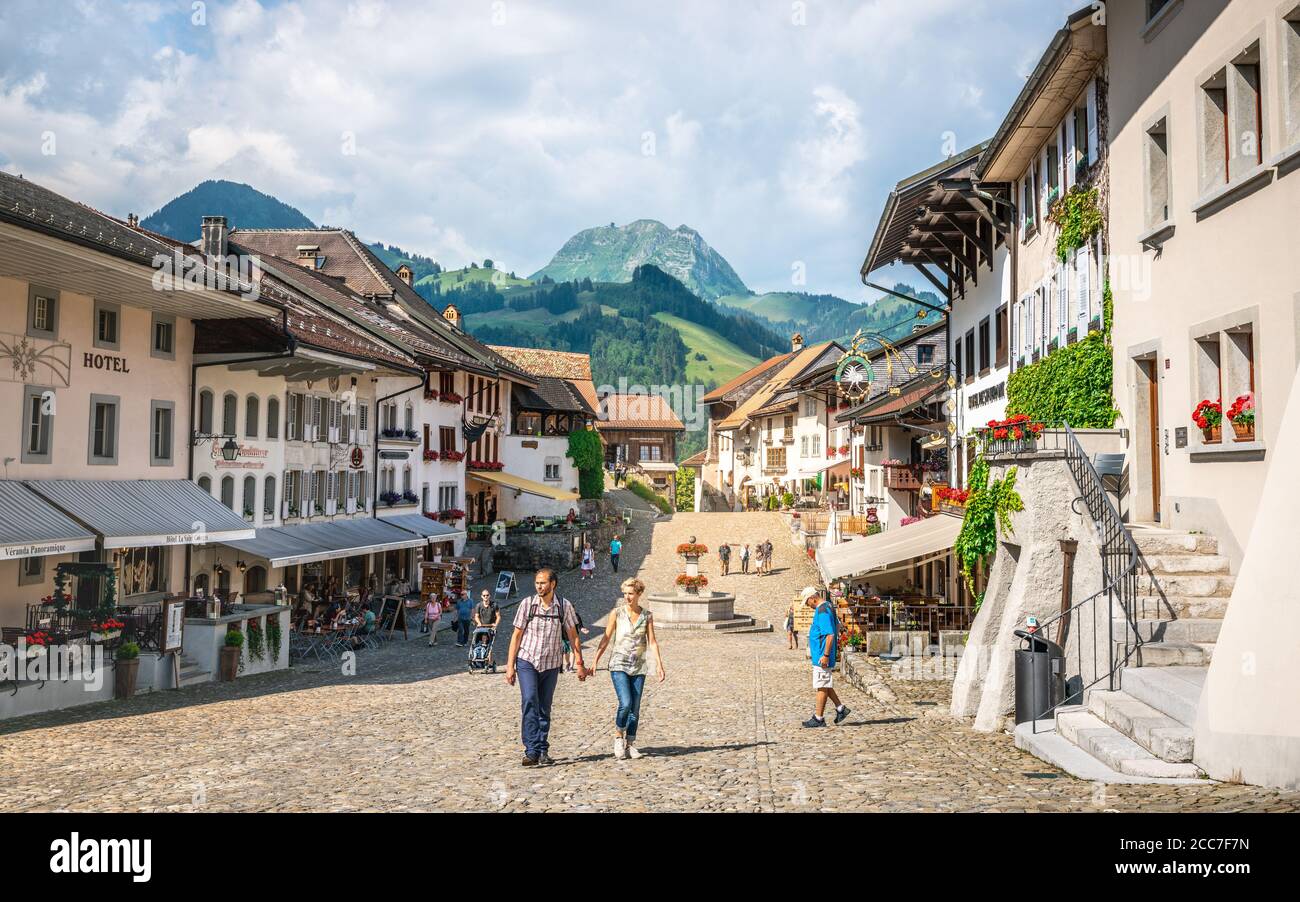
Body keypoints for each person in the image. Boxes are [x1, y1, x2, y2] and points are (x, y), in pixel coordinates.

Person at [505, 569, 588, 766]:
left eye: (542, 583)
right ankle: (531, 750)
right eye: (537, 583)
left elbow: (573, 636)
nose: (539, 586)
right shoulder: (527, 604)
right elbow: (516, 636)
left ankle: (543, 749)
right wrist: (510, 666)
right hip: (527, 661)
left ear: (553, 584)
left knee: (544, 707)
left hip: (551, 663)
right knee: (529, 699)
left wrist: (579, 664)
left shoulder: (563, 606)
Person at [592, 577, 666, 760]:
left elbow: (653, 642)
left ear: (639, 594)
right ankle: (618, 736)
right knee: (625, 703)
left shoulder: (647, 616)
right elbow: (606, 638)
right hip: (618, 664)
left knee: (635, 707)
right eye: (625, 593)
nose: (627, 597)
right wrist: (595, 661)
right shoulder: (616, 613)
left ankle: (630, 744)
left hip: (639, 666)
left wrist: (659, 665)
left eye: (631, 593)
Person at [801, 586, 850, 728]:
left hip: (823, 656)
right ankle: (841, 709)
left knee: (821, 686)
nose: (807, 605)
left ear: (812, 598)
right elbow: (837, 627)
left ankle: (819, 718)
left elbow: (830, 634)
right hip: (822, 655)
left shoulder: (822, 610)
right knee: (825, 683)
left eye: (807, 602)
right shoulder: (828, 605)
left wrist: (826, 655)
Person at [563, 607, 591, 672]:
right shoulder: (562, 616)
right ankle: (568, 664)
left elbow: (580, 626)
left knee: (573, 651)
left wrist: (583, 629)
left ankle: (571, 667)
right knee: (565, 652)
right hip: (564, 637)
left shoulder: (576, 616)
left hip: (574, 637)